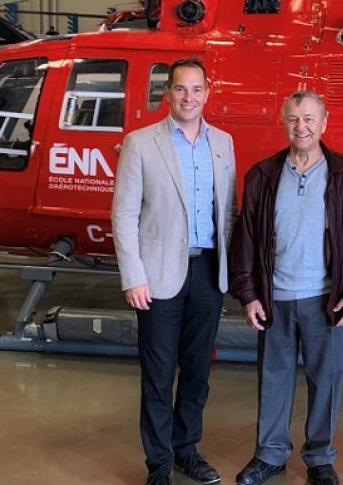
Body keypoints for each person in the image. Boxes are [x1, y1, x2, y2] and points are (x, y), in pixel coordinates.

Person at [228, 90, 343, 485]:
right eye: (294, 119)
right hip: (274, 297)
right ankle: (270, 454)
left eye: (309, 118)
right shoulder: (262, 175)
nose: (301, 126)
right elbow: (245, 239)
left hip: (326, 297)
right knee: (273, 379)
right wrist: (248, 293)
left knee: (326, 381)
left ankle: (320, 458)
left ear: (324, 124)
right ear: (283, 122)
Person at [112, 57, 237, 485]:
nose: (189, 97)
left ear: (208, 92)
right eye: (180, 89)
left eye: (196, 89)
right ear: (168, 93)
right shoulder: (140, 142)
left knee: (198, 371)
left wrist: (234, 271)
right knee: (159, 374)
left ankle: (187, 449)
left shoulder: (223, 143)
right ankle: (159, 463)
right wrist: (133, 275)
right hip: (158, 275)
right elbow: (124, 214)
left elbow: (230, 213)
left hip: (208, 273)